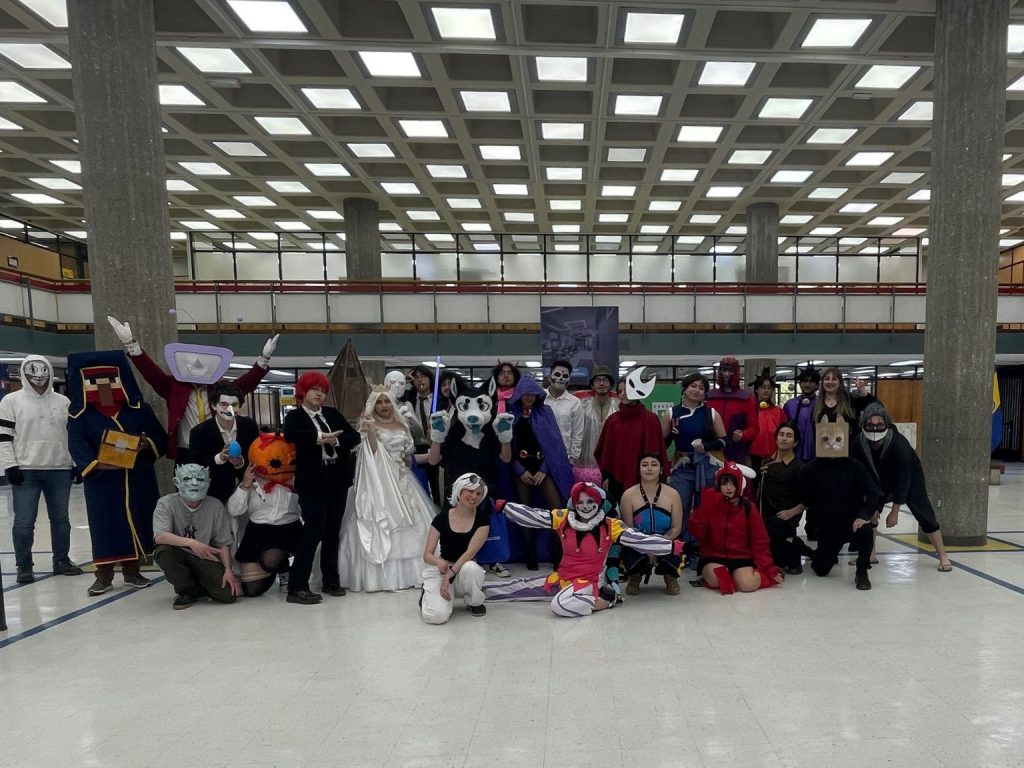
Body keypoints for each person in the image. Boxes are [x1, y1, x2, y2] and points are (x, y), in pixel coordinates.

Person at [485, 481, 684, 617]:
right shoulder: (564, 518)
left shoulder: (610, 525)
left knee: (559, 605)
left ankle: (607, 600)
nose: (585, 506)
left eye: (590, 501)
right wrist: (506, 507)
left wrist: (669, 546)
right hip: (562, 578)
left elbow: (638, 539)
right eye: (580, 502)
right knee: (514, 587)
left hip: (589, 583)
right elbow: (536, 516)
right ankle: (470, 591)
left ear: (598, 503)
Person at [106, 315, 276, 463]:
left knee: (219, 492)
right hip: (185, 450)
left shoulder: (220, 388)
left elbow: (245, 384)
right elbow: (151, 373)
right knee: (185, 491)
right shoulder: (174, 387)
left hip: (217, 447)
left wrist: (264, 358)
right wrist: (130, 344)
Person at [66, 350, 168, 596]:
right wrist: (97, 464)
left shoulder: (138, 410)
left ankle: (132, 570)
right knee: (105, 526)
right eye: (95, 381)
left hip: (137, 478)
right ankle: (104, 574)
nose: (103, 387)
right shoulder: (80, 416)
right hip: (102, 483)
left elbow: (160, 439)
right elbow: (77, 447)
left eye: (108, 380)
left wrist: (146, 444)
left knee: (137, 519)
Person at [338, 388, 435, 592]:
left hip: (403, 481)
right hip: (378, 483)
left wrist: (433, 453)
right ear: (373, 406)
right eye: (379, 402)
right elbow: (372, 454)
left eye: (387, 401)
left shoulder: (403, 426)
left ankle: (413, 574)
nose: (383, 406)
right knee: (380, 524)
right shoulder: (368, 427)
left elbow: (408, 458)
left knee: (413, 525)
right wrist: (371, 430)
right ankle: (379, 578)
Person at [0, 355, 83, 583]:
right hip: (25, 471)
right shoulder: (10, 401)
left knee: (61, 521)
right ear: (26, 375)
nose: (38, 379)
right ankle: (24, 565)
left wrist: (76, 464)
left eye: (42, 374)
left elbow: (74, 437)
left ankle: (61, 560)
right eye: (33, 375)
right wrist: (10, 465)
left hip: (60, 470)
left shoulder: (63, 402)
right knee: (24, 522)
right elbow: (4, 437)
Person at [282, 371, 360, 604]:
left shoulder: (332, 414)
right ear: (303, 391)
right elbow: (291, 435)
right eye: (314, 389)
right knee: (313, 530)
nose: (319, 394)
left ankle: (331, 580)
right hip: (312, 482)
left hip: (337, 479)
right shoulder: (295, 416)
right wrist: (319, 437)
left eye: (323, 390)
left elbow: (353, 436)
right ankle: (297, 586)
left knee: (332, 533)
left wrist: (334, 440)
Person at [426, 378, 514, 578]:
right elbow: (433, 460)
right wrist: (437, 438)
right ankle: (455, 560)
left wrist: (505, 439)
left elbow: (505, 458)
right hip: (456, 488)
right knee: (454, 524)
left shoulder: (492, 430)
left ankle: (493, 558)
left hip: (487, 486)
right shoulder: (452, 431)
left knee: (489, 522)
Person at [851, 403, 953, 572]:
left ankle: (943, 555)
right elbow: (858, 471)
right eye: (870, 425)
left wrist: (895, 511)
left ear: (887, 424)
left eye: (879, 425)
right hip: (876, 480)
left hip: (910, 479)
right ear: (863, 425)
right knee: (869, 514)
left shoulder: (899, 445)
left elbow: (903, 478)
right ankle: (870, 554)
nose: (875, 429)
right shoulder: (858, 443)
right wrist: (871, 504)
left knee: (925, 514)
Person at [799, 422, 882, 590]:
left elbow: (874, 492)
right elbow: (805, 497)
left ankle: (862, 572)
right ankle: (814, 553)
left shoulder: (855, 466)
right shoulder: (810, 469)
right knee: (821, 569)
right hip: (829, 525)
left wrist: (865, 515)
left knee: (866, 530)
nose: (831, 443)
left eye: (837, 439)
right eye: (826, 439)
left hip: (853, 520)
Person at [152, 463, 240, 609]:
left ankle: (198, 584)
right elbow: (160, 536)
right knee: (163, 551)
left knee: (227, 595)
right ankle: (186, 591)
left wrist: (228, 570)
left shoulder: (215, 505)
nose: (194, 483)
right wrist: (192, 543)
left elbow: (223, 542)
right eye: (187, 478)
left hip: (204, 557)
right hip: (178, 553)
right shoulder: (166, 503)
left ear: (208, 482)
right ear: (176, 482)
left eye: (200, 479)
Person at [508, 375, 574, 570]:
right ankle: (531, 554)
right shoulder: (512, 415)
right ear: (519, 395)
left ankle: (558, 553)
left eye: (532, 394)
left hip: (543, 467)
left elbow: (554, 445)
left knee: (557, 510)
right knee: (525, 512)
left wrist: (544, 470)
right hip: (521, 469)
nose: (529, 398)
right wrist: (520, 471)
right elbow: (506, 447)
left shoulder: (545, 412)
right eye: (525, 394)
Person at [226, 433, 302, 597]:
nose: (281, 465)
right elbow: (234, 510)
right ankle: (275, 569)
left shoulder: (295, 480)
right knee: (252, 590)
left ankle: (284, 569)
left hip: (288, 528)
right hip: (258, 531)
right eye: (275, 462)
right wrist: (245, 485)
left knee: (270, 560)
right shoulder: (253, 482)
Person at [689, 462, 782, 594]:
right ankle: (729, 575)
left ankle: (741, 575)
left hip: (740, 556)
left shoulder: (748, 507)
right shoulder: (711, 503)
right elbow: (697, 533)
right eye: (724, 483)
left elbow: (760, 540)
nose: (729, 487)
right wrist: (704, 509)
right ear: (718, 485)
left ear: (739, 484)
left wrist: (768, 568)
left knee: (748, 585)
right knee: (718, 579)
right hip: (713, 556)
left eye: (733, 483)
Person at [663, 371, 726, 553]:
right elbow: (661, 443)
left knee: (703, 507)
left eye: (701, 388)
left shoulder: (711, 414)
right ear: (685, 388)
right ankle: (677, 548)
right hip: (681, 466)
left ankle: (701, 549)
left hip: (706, 466)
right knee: (679, 506)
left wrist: (706, 446)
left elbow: (723, 440)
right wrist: (671, 435)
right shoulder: (671, 413)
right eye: (693, 386)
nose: (696, 390)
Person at [420, 473, 489, 624]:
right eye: (470, 491)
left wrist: (449, 576)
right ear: (459, 490)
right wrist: (439, 563)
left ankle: (474, 602)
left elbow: (469, 553)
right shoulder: (441, 518)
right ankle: (428, 593)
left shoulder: (483, 520)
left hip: (463, 569)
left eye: (479, 493)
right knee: (436, 617)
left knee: (472, 568)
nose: (474, 496)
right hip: (443, 569)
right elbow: (427, 555)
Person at [595, 373, 668, 503]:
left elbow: (658, 450)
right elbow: (605, 452)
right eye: (619, 391)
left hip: (645, 478)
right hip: (615, 480)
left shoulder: (650, 419)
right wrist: (606, 475)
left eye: (626, 390)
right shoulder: (613, 420)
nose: (622, 394)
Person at [620, 453, 684, 595]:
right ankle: (635, 576)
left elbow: (676, 528)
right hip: (638, 543)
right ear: (639, 469)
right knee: (628, 550)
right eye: (645, 465)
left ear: (661, 469)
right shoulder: (628, 495)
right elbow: (628, 530)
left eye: (654, 465)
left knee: (676, 547)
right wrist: (646, 547)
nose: (649, 468)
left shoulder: (673, 494)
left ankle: (670, 576)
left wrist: (657, 546)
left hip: (665, 541)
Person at [187, 382, 259, 504]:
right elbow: (195, 466)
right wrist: (219, 458)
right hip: (214, 494)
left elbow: (257, 456)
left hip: (247, 491)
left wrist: (240, 463)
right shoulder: (199, 432)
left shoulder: (249, 426)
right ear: (214, 406)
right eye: (224, 404)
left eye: (234, 405)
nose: (229, 409)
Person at [757, 422, 809, 574]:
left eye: (789, 436)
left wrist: (791, 512)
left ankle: (795, 552)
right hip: (764, 514)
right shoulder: (765, 462)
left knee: (775, 539)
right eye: (781, 435)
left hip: (785, 516)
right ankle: (795, 545)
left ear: (796, 441)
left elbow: (808, 499)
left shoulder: (799, 468)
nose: (784, 439)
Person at [706, 356, 758, 465]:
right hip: (711, 450)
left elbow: (754, 428)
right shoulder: (709, 397)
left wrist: (743, 435)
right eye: (724, 370)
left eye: (730, 370)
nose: (726, 374)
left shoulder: (747, 399)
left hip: (736, 452)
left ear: (736, 372)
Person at [404, 364, 442, 506]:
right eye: (417, 377)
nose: (420, 380)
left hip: (436, 446)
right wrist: (404, 379)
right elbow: (387, 393)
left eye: (424, 376)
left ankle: (438, 507)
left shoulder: (440, 399)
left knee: (437, 483)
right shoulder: (409, 398)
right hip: (417, 447)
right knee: (419, 486)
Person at [575, 365, 618, 484]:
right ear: (592, 385)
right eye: (598, 380)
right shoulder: (581, 404)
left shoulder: (619, 405)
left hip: (612, 462)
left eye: (605, 380)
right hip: (584, 462)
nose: (601, 383)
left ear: (610, 384)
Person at [544, 360, 585, 470]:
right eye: (557, 374)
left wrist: (572, 460)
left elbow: (578, 434)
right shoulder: (538, 398)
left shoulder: (575, 403)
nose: (561, 378)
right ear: (549, 377)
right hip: (539, 456)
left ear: (569, 381)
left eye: (565, 376)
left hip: (563, 459)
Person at [748, 367, 786, 475]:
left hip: (774, 457)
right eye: (763, 387)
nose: (766, 390)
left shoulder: (778, 411)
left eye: (769, 388)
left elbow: (783, 433)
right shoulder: (749, 410)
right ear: (756, 389)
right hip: (753, 457)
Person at [783, 364, 820, 462]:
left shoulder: (823, 404)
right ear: (799, 384)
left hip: (817, 453)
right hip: (794, 453)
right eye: (804, 381)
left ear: (817, 385)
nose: (807, 384)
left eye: (811, 381)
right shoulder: (790, 405)